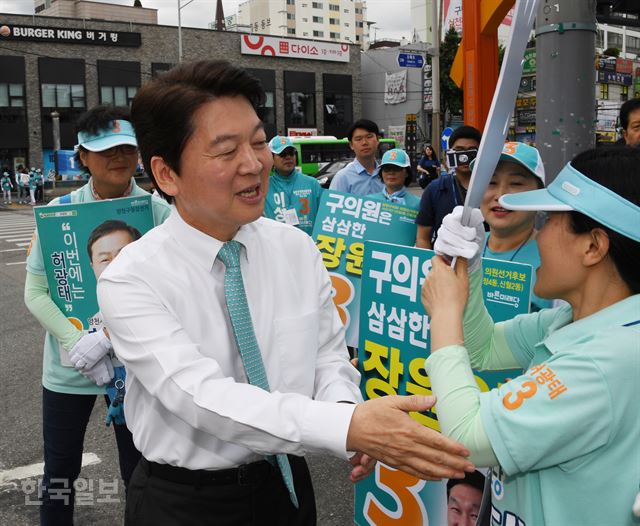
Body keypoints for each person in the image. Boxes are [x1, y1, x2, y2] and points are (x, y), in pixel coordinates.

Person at [97, 60, 474, 526]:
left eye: (257, 142)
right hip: (185, 500)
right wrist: (346, 426)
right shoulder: (131, 276)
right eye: (225, 150)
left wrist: (347, 420)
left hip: (287, 485)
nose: (254, 163)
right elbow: (198, 397)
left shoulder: (294, 247)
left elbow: (328, 357)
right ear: (166, 174)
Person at [421, 144, 640, 525]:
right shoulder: (573, 320)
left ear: (592, 246)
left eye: (548, 222)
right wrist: (470, 269)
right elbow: (483, 349)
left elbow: (468, 437)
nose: (537, 236)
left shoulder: (606, 361)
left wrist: (444, 312)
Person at [24, 105, 172, 526]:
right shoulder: (59, 212)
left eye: (127, 147)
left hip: (135, 370)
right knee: (60, 473)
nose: (118, 158)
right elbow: (35, 292)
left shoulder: (157, 212)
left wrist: (111, 336)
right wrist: (77, 342)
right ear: (82, 156)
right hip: (68, 370)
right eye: (104, 150)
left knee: (141, 471)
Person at [477, 141, 552, 311]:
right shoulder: (466, 248)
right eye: (491, 182)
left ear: (540, 194)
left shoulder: (555, 259)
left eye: (516, 183)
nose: (501, 195)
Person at [416, 125, 482, 249]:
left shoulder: (492, 188)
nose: (464, 157)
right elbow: (422, 238)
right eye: (459, 150)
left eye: (471, 151)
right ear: (449, 154)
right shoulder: (434, 189)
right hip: (444, 263)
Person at [263, 135, 323, 235]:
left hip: (308, 245)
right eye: (282, 154)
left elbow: (324, 217)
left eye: (291, 153)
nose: (288, 157)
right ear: (271, 158)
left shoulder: (312, 183)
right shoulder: (264, 186)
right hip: (276, 246)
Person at [329, 119, 384, 196]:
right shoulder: (342, 177)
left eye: (369, 137)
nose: (364, 143)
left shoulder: (387, 174)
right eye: (358, 139)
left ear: (378, 140)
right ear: (351, 145)